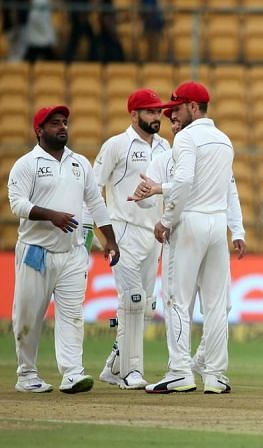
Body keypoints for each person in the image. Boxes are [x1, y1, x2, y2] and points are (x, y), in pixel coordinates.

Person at [8, 105, 120, 394]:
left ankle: (72, 373)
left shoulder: (79, 163)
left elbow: (95, 203)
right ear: (39, 130)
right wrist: (52, 215)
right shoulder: (26, 164)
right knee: (29, 315)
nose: (62, 127)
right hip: (36, 251)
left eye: (65, 122)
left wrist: (109, 239)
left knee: (72, 315)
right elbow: (17, 205)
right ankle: (27, 374)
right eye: (54, 123)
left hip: (72, 254)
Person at [130, 107, 246, 378]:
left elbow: (229, 191)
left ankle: (194, 366)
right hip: (191, 232)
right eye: (171, 122)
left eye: (177, 119)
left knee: (211, 304)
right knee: (190, 303)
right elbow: (148, 198)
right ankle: (208, 371)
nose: (175, 125)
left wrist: (238, 230)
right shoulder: (162, 160)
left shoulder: (207, 155)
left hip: (187, 228)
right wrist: (144, 194)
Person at [144, 81, 235, 394]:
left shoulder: (185, 139)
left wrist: (166, 219)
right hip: (217, 224)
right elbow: (228, 189)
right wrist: (236, 228)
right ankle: (216, 375)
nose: (173, 115)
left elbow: (183, 182)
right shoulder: (224, 141)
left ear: (194, 106)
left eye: (177, 108)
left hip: (190, 222)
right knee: (215, 303)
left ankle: (181, 371)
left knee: (177, 301)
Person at [93, 89, 169, 390]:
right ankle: (131, 371)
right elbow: (92, 189)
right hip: (123, 231)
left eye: (158, 112)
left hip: (154, 235)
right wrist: (103, 235)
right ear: (134, 114)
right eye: (150, 112)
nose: (156, 117)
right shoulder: (116, 145)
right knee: (132, 300)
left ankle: (113, 367)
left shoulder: (166, 147)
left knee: (146, 306)